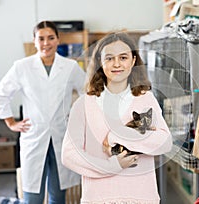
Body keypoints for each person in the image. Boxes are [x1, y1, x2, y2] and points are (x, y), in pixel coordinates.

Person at [61, 32, 173, 203]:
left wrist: (118, 135)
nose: (117, 64)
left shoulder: (145, 99)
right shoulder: (84, 104)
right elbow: (69, 155)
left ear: (133, 61)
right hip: (99, 198)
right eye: (109, 58)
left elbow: (165, 142)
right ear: (100, 62)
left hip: (140, 197)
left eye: (123, 57)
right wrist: (112, 166)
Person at [0, 21, 85, 204]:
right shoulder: (22, 67)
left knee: (58, 197)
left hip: (61, 135)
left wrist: (79, 121)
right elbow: (0, 94)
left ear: (58, 40)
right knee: (32, 197)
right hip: (33, 135)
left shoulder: (70, 67)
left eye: (51, 38)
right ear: (34, 41)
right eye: (41, 38)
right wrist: (11, 122)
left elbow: (89, 93)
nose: (46, 43)